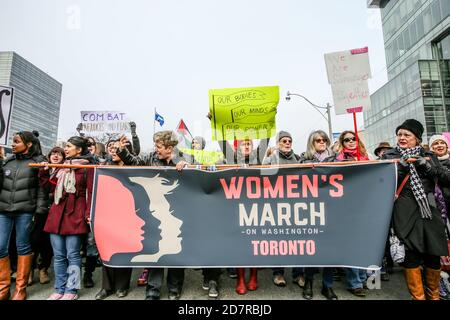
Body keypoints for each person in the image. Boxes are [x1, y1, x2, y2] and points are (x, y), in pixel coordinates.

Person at [382, 119, 450, 300]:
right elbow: (381, 183)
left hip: (428, 209)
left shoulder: (428, 155)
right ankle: (418, 297)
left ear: (417, 139)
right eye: (399, 134)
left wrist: (428, 167)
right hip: (404, 209)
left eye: (407, 135)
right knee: (411, 255)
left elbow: (446, 178)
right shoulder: (389, 156)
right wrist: (401, 170)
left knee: (433, 254)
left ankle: (433, 295)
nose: (402, 138)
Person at [117, 130, 187, 300]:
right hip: (155, 210)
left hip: (178, 211)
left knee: (176, 250)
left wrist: (185, 166)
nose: (156, 149)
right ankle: (152, 290)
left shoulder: (184, 157)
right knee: (157, 247)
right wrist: (122, 151)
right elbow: (134, 163)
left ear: (170, 148)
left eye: (159, 146)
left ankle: (174, 289)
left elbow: (196, 175)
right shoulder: (150, 157)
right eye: (156, 145)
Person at [42, 136, 95, 300]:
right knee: (58, 255)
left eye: (69, 146)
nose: (66, 148)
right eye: (65, 145)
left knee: (73, 254)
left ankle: (71, 290)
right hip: (57, 213)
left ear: (79, 150)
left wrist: (88, 214)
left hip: (76, 212)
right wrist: (45, 172)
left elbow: (91, 192)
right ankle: (59, 288)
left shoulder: (89, 167)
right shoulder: (60, 166)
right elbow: (49, 187)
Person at [0, 131, 47, 300]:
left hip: (26, 211)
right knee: (0, 247)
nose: (12, 144)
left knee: (23, 246)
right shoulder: (8, 161)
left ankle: (20, 289)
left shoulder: (38, 162)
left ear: (28, 144)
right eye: (12, 141)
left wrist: (39, 211)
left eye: (16, 141)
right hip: (4, 210)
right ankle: (3, 288)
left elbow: (42, 189)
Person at [262, 131, 304, 290]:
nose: (287, 143)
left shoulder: (298, 158)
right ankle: (278, 273)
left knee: (297, 241)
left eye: (289, 141)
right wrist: (268, 156)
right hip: (276, 203)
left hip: (295, 204)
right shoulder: (272, 157)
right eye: (284, 141)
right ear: (278, 143)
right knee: (278, 241)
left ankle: (297, 274)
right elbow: (262, 172)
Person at [298, 130, 338, 300]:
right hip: (311, 208)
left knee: (330, 247)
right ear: (311, 143)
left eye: (324, 140)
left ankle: (327, 286)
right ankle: (308, 282)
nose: (322, 142)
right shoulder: (303, 160)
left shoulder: (337, 159)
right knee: (311, 248)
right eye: (318, 140)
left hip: (332, 207)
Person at [331, 131, 369, 297]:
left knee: (363, 243)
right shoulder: (338, 160)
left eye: (354, 138)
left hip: (366, 204)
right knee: (352, 244)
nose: (351, 141)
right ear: (342, 143)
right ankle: (355, 282)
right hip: (347, 206)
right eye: (347, 140)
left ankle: (362, 277)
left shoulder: (366, 158)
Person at [94, 140, 133, 300]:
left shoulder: (135, 167)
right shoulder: (104, 168)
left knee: (125, 250)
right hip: (108, 214)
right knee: (108, 250)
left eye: (118, 149)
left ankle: (122, 286)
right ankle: (106, 287)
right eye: (112, 148)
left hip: (128, 215)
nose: (114, 151)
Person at [29, 147, 65, 286]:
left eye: (59, 154)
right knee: (34, 240)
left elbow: (51, 187)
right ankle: (30, 270)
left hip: (54, 210)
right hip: (39, 209)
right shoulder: (41, 167)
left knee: (49, 243)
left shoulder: (64, 171)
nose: (56, 156)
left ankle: (43, 269)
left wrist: (43, 174)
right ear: (48, 156)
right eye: (53, 154)